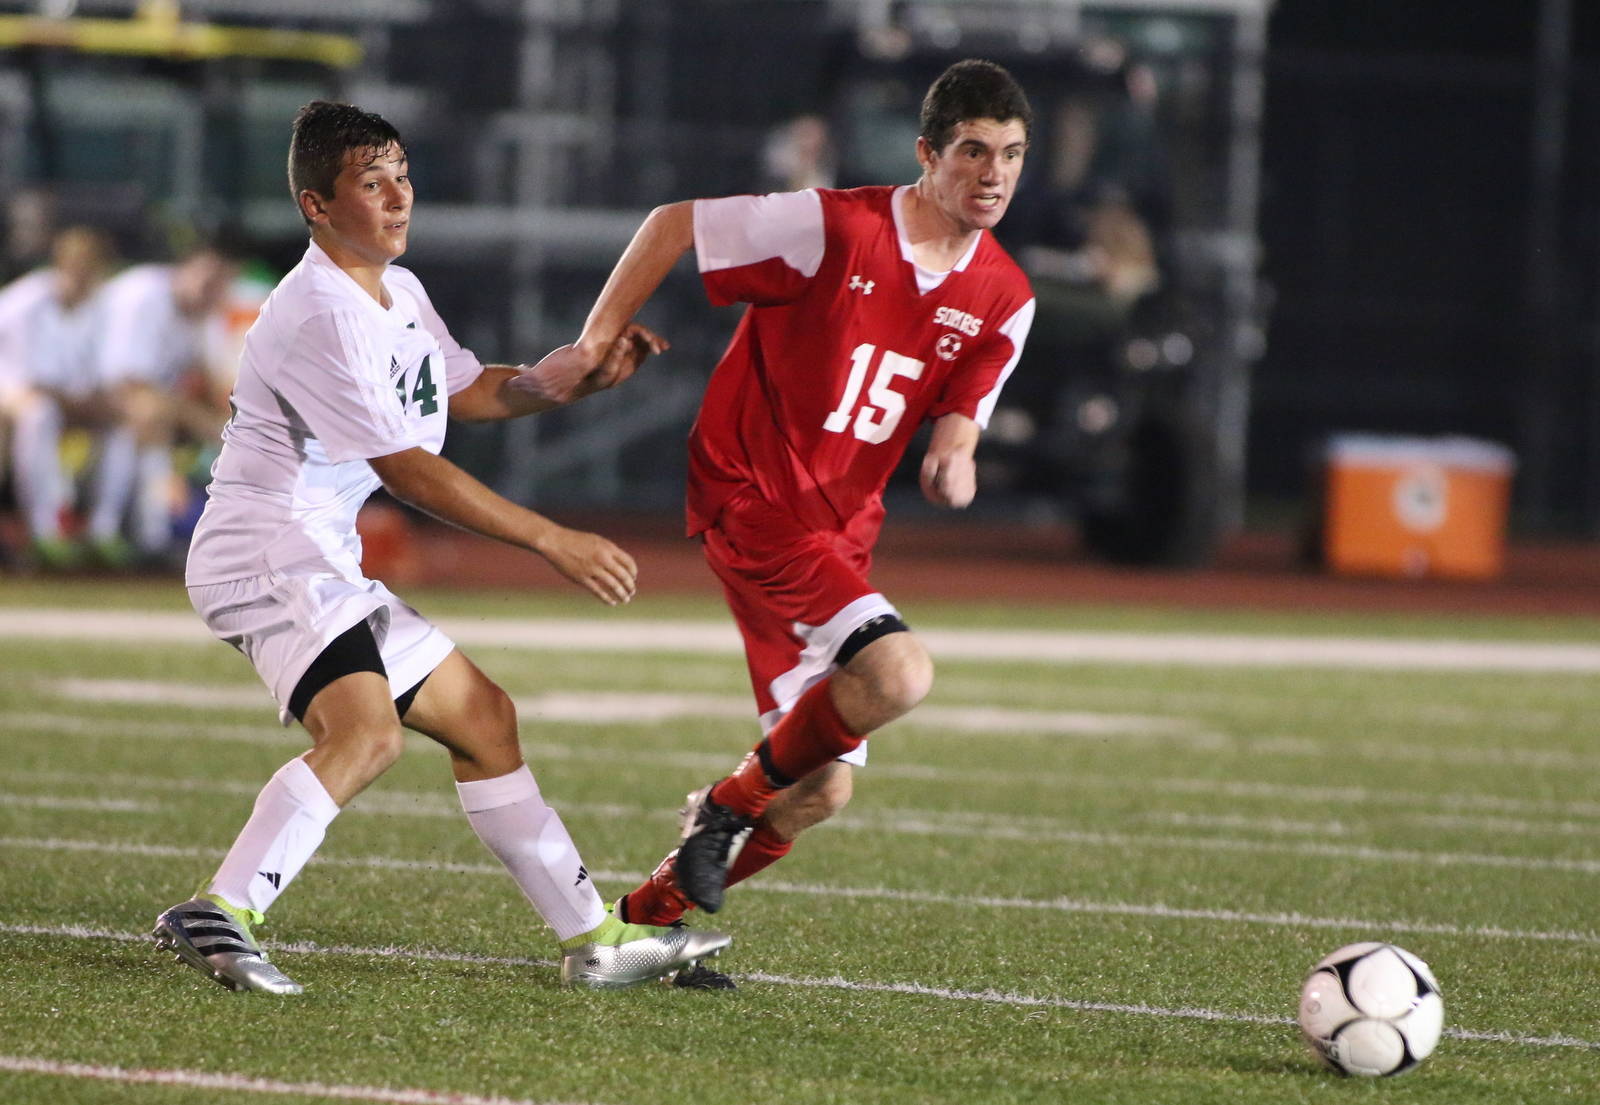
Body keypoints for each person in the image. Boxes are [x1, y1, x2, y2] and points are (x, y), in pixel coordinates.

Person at [152, 100, 730, 994]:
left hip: (317, 555)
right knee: (367, 734)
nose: (397, 197)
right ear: (316, 204)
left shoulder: (398, 291)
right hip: (264, 551)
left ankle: (597, 940)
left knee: (484, 717)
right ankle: (220, 910)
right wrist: (549, 537)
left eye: (403, 175)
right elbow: (408, 469)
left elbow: (469, 391)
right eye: (370, 181)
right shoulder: (318, 311)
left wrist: (570, 377)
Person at [575, 60, 1036, 939]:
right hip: (753, 495)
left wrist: (955, 463)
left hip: (837, 530)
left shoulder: (1005, 297)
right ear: (926, 154)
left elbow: (959, 429)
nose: (994, 174)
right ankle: (722, 805)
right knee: (900, 673)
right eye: (973, 151)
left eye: (1012, 154)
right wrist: (595, 336)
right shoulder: (835, 227)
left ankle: (640, 926)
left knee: (822, 788)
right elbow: (673, 225)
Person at [91, 238, 242, 566]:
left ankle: (222, 540)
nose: (212, 289)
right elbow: (127, 385)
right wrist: (201, 421)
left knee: (236, 433)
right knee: (151, 415)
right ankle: (132, 534)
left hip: (137, 401)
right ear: (184, 269)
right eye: (208, 278)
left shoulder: (203, 314)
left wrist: (236, 428)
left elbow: (220, 387)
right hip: (74, 388)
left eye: (222, 283)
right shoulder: (142, 294)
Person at [0, 225, 124, 569]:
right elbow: (31, 382)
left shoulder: (98, 311)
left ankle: (103, 530)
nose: (84, 276)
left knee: (120, 422)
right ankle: (44, 529)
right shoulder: (27, 301)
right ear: (62, 265)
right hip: (12, 391)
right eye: (78, 266)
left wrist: (102, 402)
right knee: (39, 414)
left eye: (92, 268)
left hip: (64, 398)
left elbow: (99, 376)